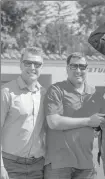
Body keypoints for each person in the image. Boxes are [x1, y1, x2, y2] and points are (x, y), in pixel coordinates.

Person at [43, 53, 105, 179]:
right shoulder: (56, 90)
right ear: (67, 69)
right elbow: (54, 122)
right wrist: (88, 121)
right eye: (74, 66)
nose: (78, 70)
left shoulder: (95, 95)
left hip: (86, 168)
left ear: (86, 69)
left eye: (82, 67)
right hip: (59, 165)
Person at [1, 47, 46, 179]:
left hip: (38, 166)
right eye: (28, 63)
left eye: (37, 64)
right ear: (20, 65)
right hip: (10, 166)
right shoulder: (6, 92)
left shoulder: (45, 94)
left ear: (41, 67)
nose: (32, 67)